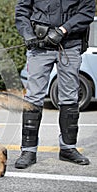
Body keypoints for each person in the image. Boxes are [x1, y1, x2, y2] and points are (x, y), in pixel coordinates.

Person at [15, 0, 95, 169]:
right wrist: (28, 34)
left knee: (70, 97)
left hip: (70, 45)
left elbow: (87, 12)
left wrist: (63, 30)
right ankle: (28, 151)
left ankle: (68, 149)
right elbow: (22, 11)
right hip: (39, 45)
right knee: (33, 97)